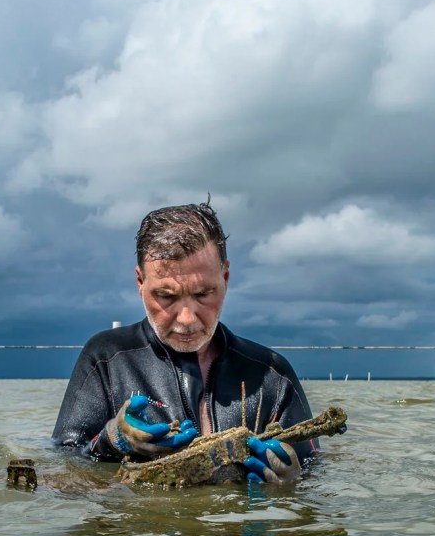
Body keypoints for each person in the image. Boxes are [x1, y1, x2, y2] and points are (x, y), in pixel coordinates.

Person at [52, 200, 316, 483]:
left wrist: (293, 481)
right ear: (140, 282)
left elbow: (319, 474)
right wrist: (110, 441)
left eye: (203, 294)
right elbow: (62, 465)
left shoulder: (274, 377)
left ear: (226, 277)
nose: (187, 318)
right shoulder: (105, 358)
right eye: (166, 296)